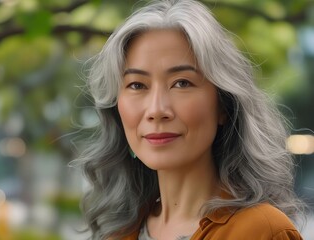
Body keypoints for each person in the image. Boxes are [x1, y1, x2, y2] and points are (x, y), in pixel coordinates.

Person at [72, 0, 306, 239]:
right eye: (137, 85)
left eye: (182, 83)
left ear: (224, 105)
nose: (156, 109)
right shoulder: (118, 231)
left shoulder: (263, 230)